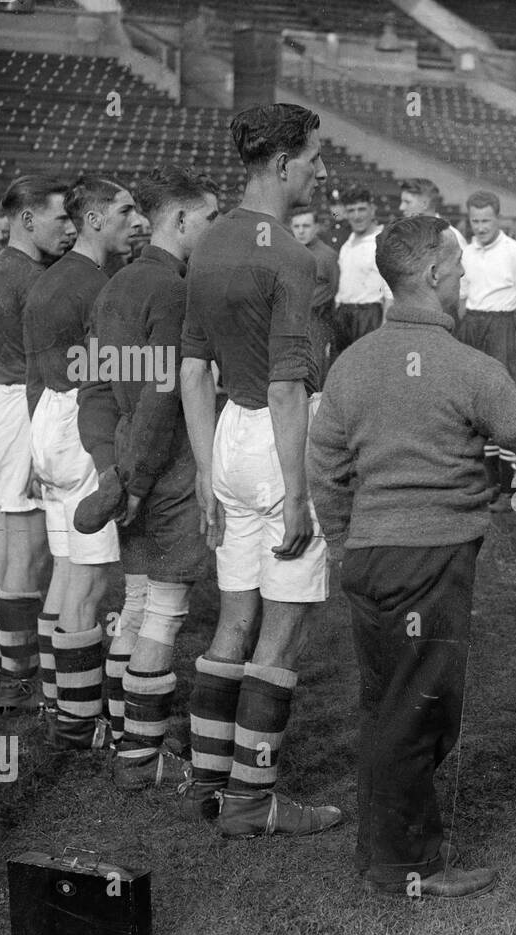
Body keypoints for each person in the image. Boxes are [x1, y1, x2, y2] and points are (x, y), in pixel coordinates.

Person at [308, 214, 516, 898]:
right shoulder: (466, 366)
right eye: (456, 266)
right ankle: (408, 865)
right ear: (430, 275)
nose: (463, 275)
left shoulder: (352, 362)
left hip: (371, 558)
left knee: (386, 703)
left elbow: (325, 467)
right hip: (430, 562)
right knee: (418, 711)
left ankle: (383, 851)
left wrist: (344, 543)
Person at [178, 103, 340, 836]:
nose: (320, 169)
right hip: (279, 442)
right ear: (281, 164)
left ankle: (208, 778)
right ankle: (250, 801)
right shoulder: (292, 256)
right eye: (313, 157)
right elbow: (285, 387)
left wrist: (210, 475)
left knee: (233, 618)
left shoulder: (208, 238)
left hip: (226, 438)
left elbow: (190, 368)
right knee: (283, 630)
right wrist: (300, 493)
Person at [75, 165, 221, 789]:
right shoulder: (173, 289)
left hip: (130, 457)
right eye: (209, 218)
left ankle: (117, 733)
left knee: (133, 600)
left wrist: (114, 469)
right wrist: (135, 481)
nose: (214, 230)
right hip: (164, 467)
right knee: (163, 609)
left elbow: (99, 389)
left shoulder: (112, 287)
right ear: (181, 220)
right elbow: (165, 395)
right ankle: (144, 756)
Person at [24, 176, 147, 749]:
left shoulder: (51, 280)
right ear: (94, 219)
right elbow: (109, 377)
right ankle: (78, 721)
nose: (135, 220)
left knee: (71, 570)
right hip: (78, 420)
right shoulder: (96, 285)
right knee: (92, 578)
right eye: (125, 210)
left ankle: (58, 698)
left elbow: (34, 373)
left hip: (49, 416)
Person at [0, 176, 74, 714]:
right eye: (61, 218)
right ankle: (16, 679)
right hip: (19, 407)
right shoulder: (35, 279)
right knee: (28, 554)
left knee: (3, 547)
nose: (71, 227)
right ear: (28, 220)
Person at [455, 190, 516, 511]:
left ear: (498, 218)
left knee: (506, 404)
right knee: (475, 406)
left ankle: (510, 487)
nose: (480, 227)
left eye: (486, 220)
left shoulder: (515, 252)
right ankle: (487, 484)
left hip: (504, 328)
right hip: (473, 325)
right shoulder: (466, 252)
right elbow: (462, 294)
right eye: (475, 221)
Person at [330, 186, 390, 356]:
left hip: (368, 316)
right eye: (351, 210)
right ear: (346, 214)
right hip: (343, 315)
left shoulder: (382, 242)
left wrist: (385, 328)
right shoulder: (346, 245)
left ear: (372, 210)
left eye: (361, 209)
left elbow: (389, 294)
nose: (357, 216)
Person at [290, 206, 340, 386]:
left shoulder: (328, 256)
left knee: (315, 368)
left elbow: (334, 288)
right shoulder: (289, 253)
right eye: (297, 227)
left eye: (306, 226)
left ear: (317, 227)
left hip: (317, 319)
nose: (301, 231)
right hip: (290, 318)